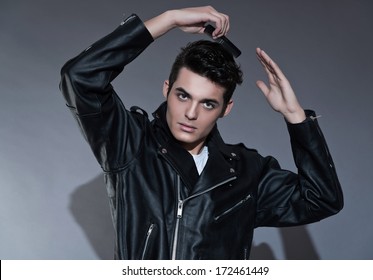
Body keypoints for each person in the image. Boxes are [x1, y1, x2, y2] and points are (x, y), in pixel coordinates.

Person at [60, 6, 343, 260]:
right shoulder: (131, 145)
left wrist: (296, 118)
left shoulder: (247, 173)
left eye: (208, 103)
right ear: (166, 89)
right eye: (183, 96)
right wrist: (169, 19)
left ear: (225, 109)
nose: (191, 113)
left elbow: (321, 199)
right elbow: (80, 77)